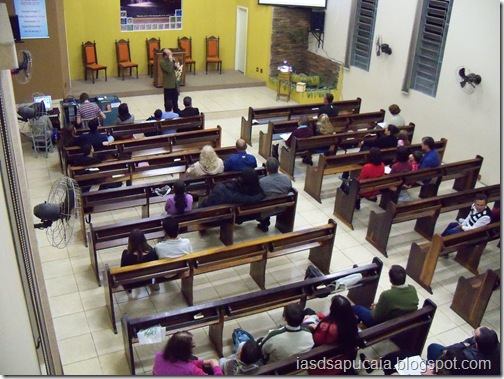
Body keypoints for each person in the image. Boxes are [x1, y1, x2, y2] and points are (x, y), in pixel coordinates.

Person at [305, 295, 359, 375]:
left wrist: (313, 328)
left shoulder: (327, 326)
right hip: (344, 359)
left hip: (324, 364)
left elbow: (316, 340)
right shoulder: (352, 322)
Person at [352, 265, 418, 327]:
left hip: (382, 326)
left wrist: (375, 309)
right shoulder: (412, 289)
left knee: (356, 308)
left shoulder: (387, 295)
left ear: (390, 279)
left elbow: (375, 317)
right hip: (401, 324)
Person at [426, 326, 500, 375]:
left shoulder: (465, 358)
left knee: (432, 348)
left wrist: (463, 345)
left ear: (477, 344)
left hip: (456, 368)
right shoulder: (494, 345)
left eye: (474, 335)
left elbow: (448, 351)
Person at [152, 331, 223, 375]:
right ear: (185, 350)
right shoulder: (191, 370)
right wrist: (216, 366)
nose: (195, 347)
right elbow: (185, 367)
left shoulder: (159, 355)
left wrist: (201, 362)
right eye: (193, 346)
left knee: (194, 359)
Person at [257, 157, 292, 232]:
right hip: (284, 206)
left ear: (267, 168)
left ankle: (264, 223)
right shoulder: (287, 178)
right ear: (278, 166)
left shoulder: (262, 182)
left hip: (265, 209)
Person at [200, 169, 265, 208]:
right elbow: (254, 198)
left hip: (215, 217)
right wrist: (262, 195)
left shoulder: (223, 190)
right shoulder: (254, 190)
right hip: (239, 215)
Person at [120, 229, 158, 293]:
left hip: (132, 283)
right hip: (148, 280)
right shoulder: (151, 252)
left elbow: (122, 271)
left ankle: (129, 289)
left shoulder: (126, 255)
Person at [160, 48, 180, 114]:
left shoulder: (171, 60)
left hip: (174, 83)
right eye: (170, 54)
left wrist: (176, 65)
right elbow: (168, 70)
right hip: (168, 85)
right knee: (168, 102)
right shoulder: (162, 62)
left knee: (175, 101)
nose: (172, 55)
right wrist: (171, 61)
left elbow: (175, 68)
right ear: (165, 56)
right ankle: (168, 115)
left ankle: (176, 113)